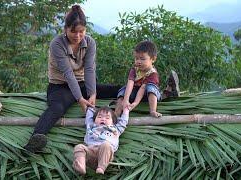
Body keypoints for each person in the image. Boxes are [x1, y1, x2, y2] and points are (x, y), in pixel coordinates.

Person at [23, 5, 120, 153]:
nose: (78, 36)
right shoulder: (57, 44)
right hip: (60, 86)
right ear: (65, 29)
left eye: (81, 31)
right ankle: (36, 139)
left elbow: (89, 69)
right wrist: (81, 99)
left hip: (82, 84)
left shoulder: (90, 42)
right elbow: (68, 74)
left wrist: (92, 93)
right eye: (73, 31)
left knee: (114, 89)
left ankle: (156, 94)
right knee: (57, 108)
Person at [115, 40, 180, 117]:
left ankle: (153, 110)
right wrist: (126, 100)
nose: (139, 61)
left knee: (150, 87)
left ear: (153, 59)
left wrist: (135, 103)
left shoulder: (153, 73)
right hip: (135, 94)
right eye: (136, 58)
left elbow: (143, 88)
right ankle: (116, 113)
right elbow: (130, 83)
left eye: (142, 59)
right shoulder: (135, 69)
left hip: (148, 95)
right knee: (124, 89)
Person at [72, 106, 129, 175]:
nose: (103, 119)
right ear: (94, 119)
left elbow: (123, 122)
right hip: (91, 153)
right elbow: (89, 117)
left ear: (113, 122)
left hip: (105, 156)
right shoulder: (91, 126)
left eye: (107, 118)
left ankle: (101, 167)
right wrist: (90, 107)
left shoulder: (116, 130)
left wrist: (126, 111)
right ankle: (81, 165)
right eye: (99, 117)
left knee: (106, 145)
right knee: (79, 147)